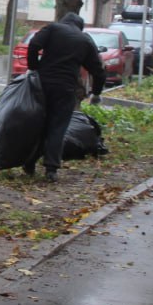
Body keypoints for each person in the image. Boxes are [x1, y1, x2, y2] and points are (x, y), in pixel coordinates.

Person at [24, 12, 105, 182]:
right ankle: (51, 169)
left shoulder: (52, 28)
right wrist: (96, 93)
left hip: (41, 85)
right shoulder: (84, 40)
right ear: (79, 26)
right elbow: (98, 71)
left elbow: (33, 45)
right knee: (57, 127)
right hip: (65, 88)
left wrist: (34, 67)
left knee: (37, 123)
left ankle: (29, 162)